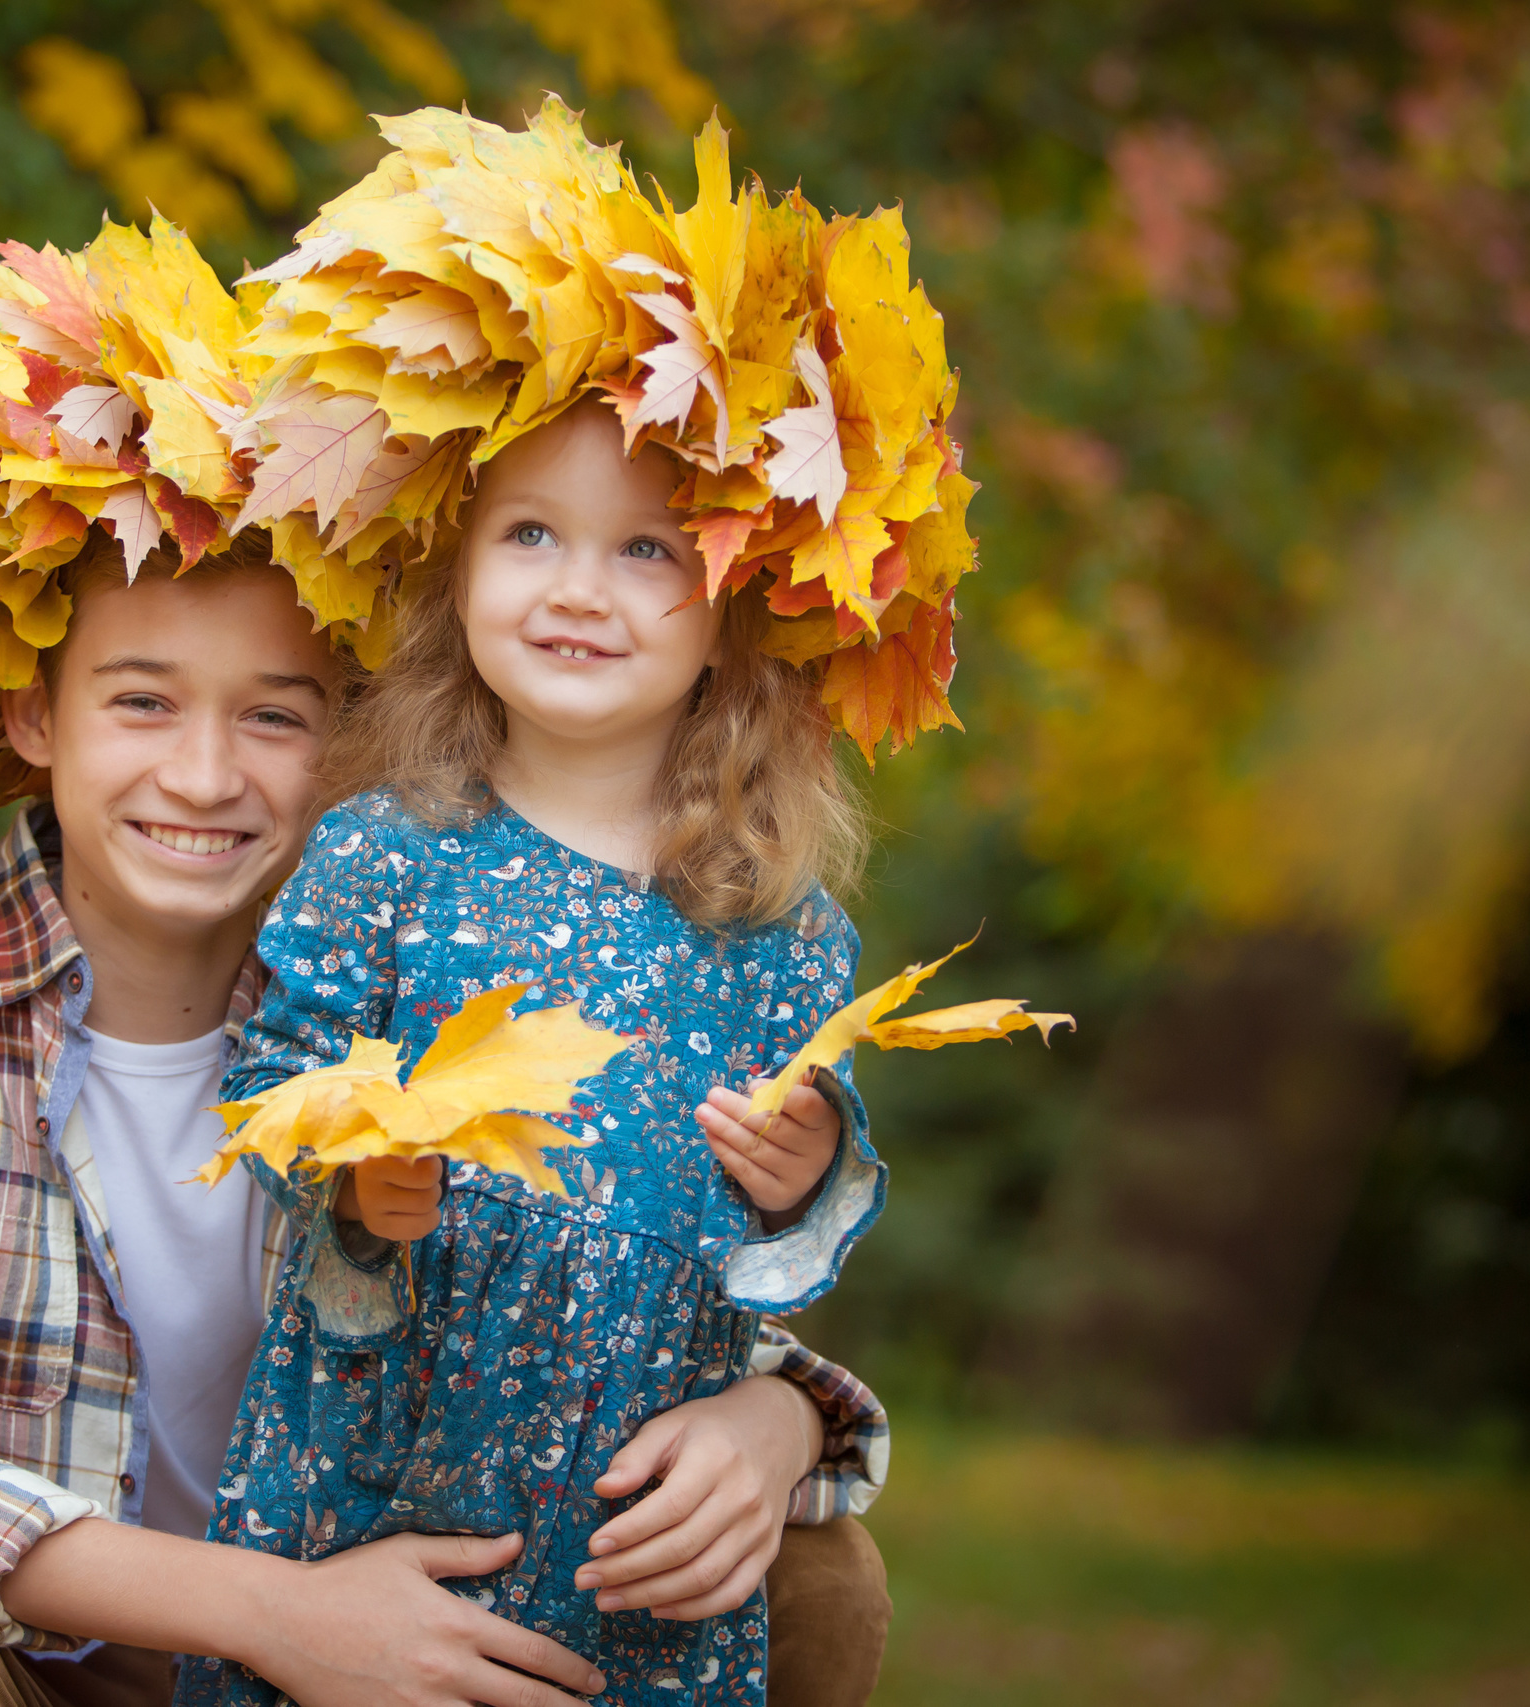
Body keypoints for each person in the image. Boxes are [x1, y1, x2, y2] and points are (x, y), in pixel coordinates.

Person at [0, 213, 898, 1707]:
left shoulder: (417, 952)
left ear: (350, 733)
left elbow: (630, 1279)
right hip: (38, 1649)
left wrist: (775, 1424)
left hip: (419, 1608)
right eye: (141, 704)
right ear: (34, 718)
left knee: (811, 1561)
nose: (206, 776)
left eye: (275, 717)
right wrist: (273, 1614)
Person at [173, 100, 983, 1707]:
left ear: (730, 610)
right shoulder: (383, 853)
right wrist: (358, 1179)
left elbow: (789, 1252)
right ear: (457, 571)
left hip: (631, 1532)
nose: (575, 588)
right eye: (530, 534)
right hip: (377, 1480)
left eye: (644, 554)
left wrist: (811, 1172)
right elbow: (265, 1089)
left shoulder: (776, 925)